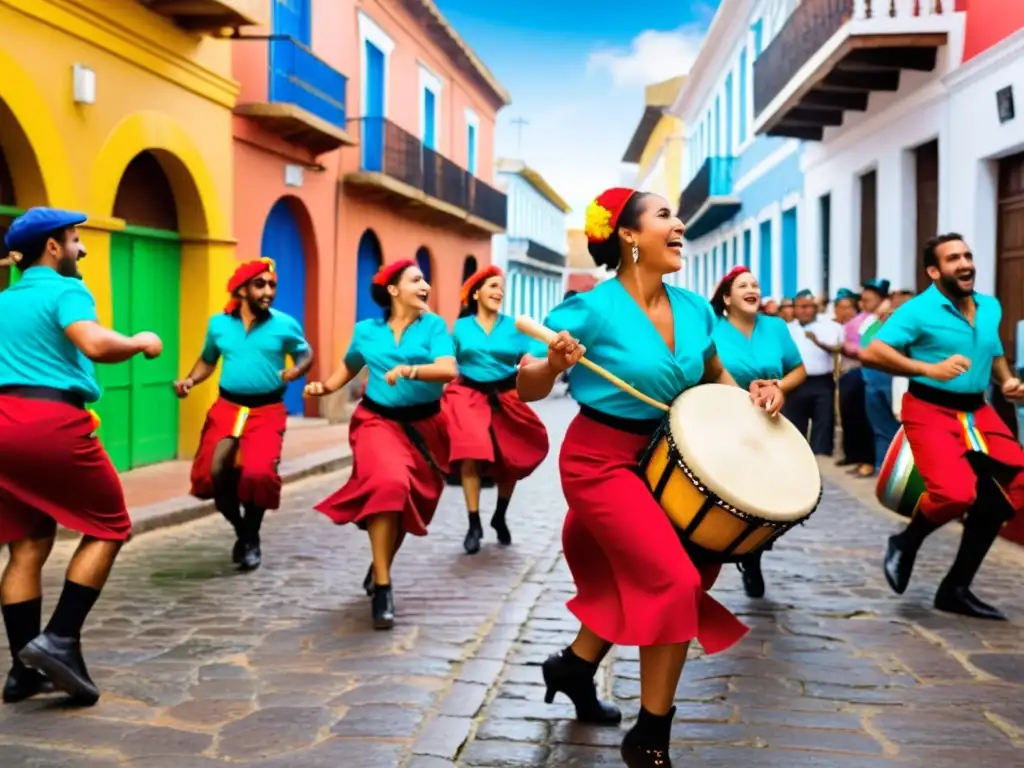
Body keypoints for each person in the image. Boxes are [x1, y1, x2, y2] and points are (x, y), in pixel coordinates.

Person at [517, 188, 762, 768]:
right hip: (600, 462)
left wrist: (753, 397)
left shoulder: (696, 308)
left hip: (669, 462)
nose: (679, 225)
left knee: (653, 573)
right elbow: (526, 382)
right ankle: (650, 736)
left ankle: (573, 668)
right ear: (628, 235)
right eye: (664, 217)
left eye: (677, 217)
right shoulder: (590, 309)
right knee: (673, 580)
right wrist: (552, 364)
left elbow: (714, 373)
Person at [0, 208, 162, 706]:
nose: (82, 248)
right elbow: (92, 342)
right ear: (53, 247)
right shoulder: (65, 289)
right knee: (110, 525)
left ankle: (24, 670)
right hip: (50, 423)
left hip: (3, 426)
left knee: (28, 543)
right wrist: (139, 341)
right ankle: (61, 639)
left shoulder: (4, 300)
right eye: (75, 240)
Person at [861, 233, 1024, 620]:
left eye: (967, 254)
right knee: (954, 493)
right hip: (929, 408)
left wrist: (1006, 381)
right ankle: (905, 542)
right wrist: (927, 368)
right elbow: (873, 351)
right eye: (953, 258)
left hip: (978, 412)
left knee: (1012, 488)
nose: (965, 263)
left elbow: (994, 349)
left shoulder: (989, 306)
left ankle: (956, 587)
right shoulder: (917, 311)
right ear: (935, 271)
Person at [304, 260, 456, 629]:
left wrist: (410, 370)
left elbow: (448, 370)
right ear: (392, 290)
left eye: (425, 280)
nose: (425, 286)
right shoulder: (367, 331)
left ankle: (379, 565)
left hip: (426, 428)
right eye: (416, 280)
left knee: (407, 499)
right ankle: (384, 589)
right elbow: (350, 366)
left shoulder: (434, 326)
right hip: (377, 421)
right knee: (390, 484)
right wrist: (325, 386)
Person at [174, 258, 313, 571]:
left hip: (267, 410)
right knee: (214, 473)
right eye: (260, 284)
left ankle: (251, 537)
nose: (268, 291)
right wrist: (190, 380)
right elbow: (208, 359)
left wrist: (298, 368)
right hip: (227, 408)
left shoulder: (285, 324)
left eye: (272, 285)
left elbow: (305, 352)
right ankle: (243, 530)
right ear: (241, 290)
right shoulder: (218, 325)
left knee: (258, 474)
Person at [709, 265, 807, 598]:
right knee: (730, 497)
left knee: (772, 501)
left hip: (772, 423)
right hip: (726, 425)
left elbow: (799, 369)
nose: (752, 290)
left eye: (755, 284)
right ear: (726, 297)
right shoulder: (712, 330)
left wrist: (779, 385)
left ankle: (753, 554)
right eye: (743, 285)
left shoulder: (776, 327)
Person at [444, 265, 549, 555]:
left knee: (512, 459)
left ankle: (499, 515)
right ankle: (473, 523)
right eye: (492, 286)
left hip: (506, 395)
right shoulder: (461, 327)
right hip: (469, 394)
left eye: (501, 287)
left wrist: (547, 363)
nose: (498, 291)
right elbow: (447, 360)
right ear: (476, 293)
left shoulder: (514, 327)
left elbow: (529, 357)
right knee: (470, 453)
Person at [785, 289, 843, 456]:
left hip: (822, 381)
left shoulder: (830, 327)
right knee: (794, 426)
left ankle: (821, 458)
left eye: (809, 307)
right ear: (794, 308)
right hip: (795, 382)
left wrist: (818, 341)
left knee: (823, 423)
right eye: (801, 307)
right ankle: (797, 458)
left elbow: (836, 348)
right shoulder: (787, 329)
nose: (805, 310)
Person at [857, 280, 900, 478]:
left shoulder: (894, 318)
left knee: (895, 427)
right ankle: (882, 468)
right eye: (863, 298)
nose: (864, 302)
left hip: (890, 379)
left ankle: (896, 471)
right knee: (879, 427)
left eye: (869, 299)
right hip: (870, 380)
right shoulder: (869, 321)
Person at [835, 288, 874, 475]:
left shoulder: (865, 323)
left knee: (861, 417)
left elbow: (859, 349)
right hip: (845, 374)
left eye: (849, 307)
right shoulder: (841, 325)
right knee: (848, 416)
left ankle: (865, 458)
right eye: (841, 308)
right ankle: (853, 454)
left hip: (859, 373)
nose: (846, 312)